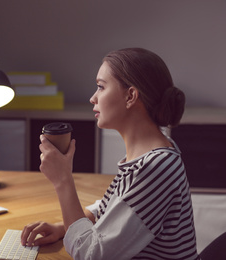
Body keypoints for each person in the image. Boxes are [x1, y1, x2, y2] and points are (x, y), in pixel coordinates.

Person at [21, 48, 199, 259]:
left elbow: (91, 255)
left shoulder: (156, 167)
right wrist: (64, 227)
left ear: (130, 96)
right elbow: (112, 208)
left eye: (100, 87)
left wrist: (63, 180)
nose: (92, 98)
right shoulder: (152, 154)